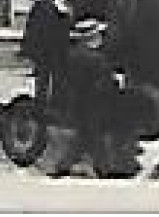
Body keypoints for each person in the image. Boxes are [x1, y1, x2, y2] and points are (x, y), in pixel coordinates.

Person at [48, 18, 124, 178]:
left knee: (85, 137)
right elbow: (104, 84)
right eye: (99, 35)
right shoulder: (96, 59)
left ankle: (65, 166)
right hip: (94, 103)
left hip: (79, 102)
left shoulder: (73, 54)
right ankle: (104, 169)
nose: (102, 38)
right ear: (92, 38)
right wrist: (115, 81)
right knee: (92, 137)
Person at [20, 0, 71, 107]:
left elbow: (64, 30)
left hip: (53, 50)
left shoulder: (56, 10)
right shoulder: (39, 9)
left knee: (54, 78)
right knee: (44, 77)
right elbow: (31, 30)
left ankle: (52, 101)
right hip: (45, 50)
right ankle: (43, 102)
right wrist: (28, 48)